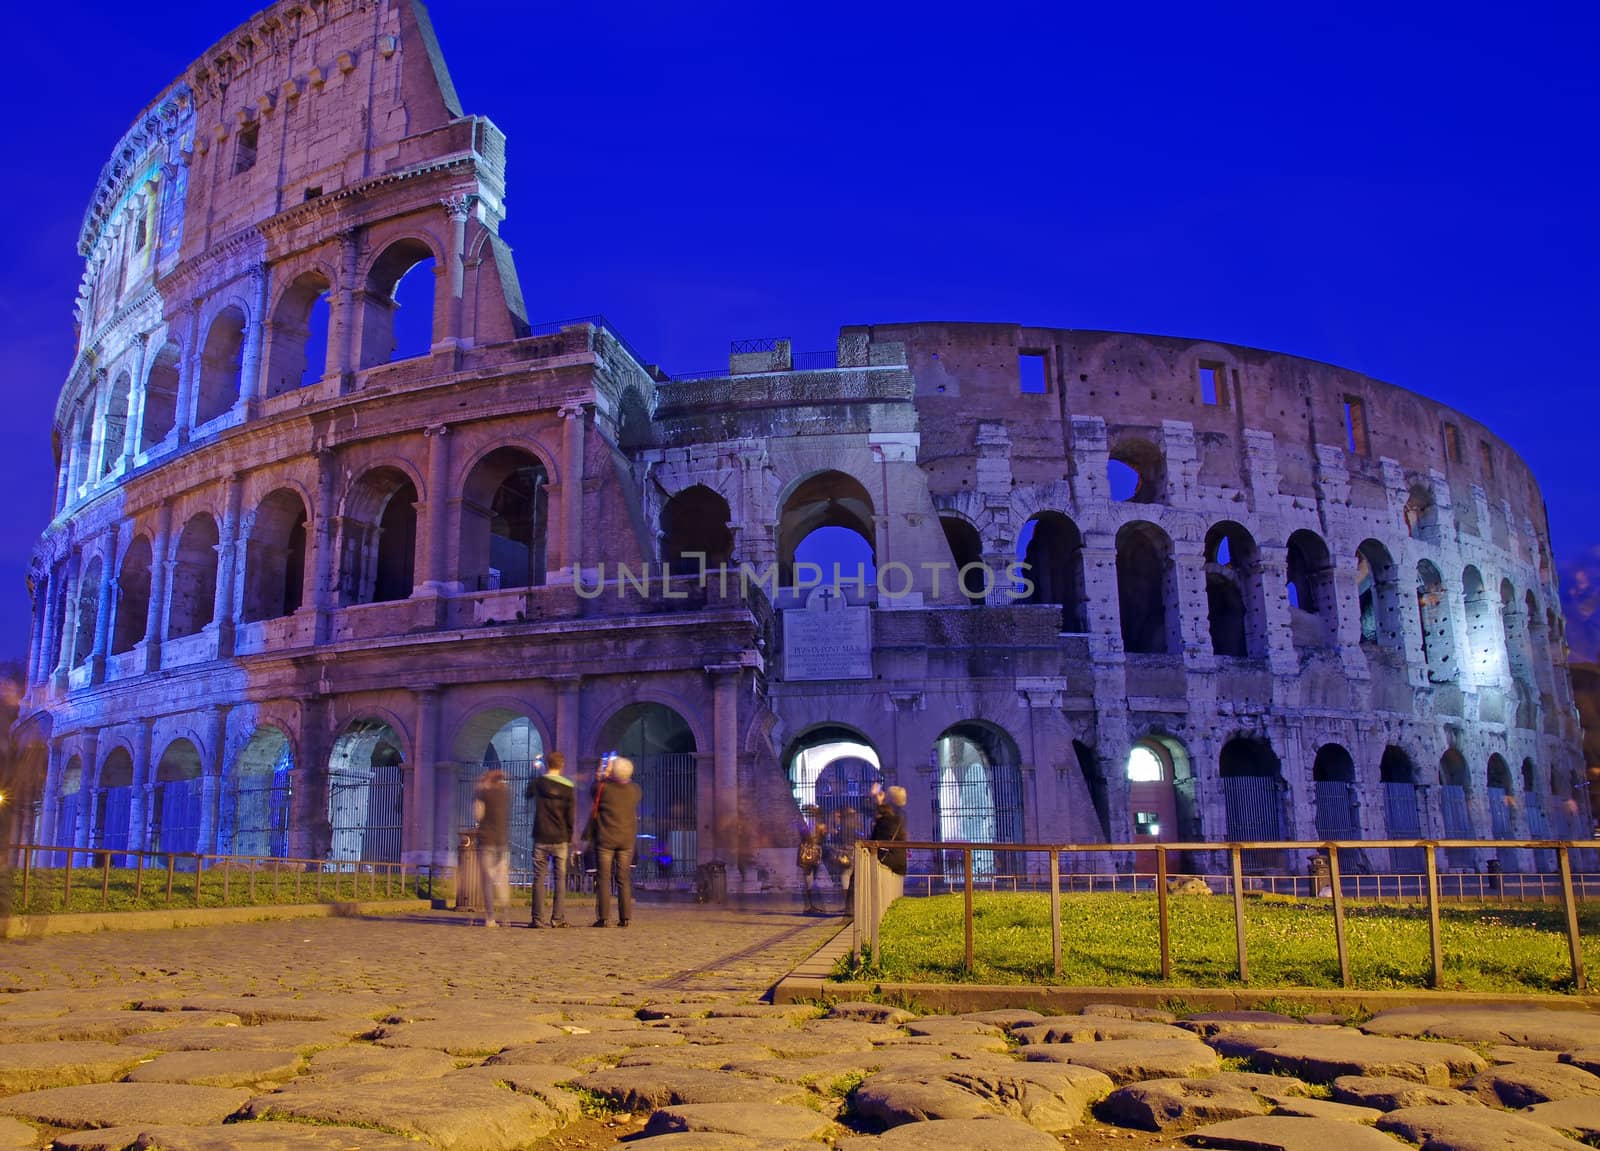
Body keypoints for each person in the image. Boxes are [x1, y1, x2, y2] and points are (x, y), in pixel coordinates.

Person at [585, 755, 642, 927]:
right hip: (626, 840)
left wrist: (605, 773)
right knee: (623, 878)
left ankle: (603, 917)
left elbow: (593, 788)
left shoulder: (603, 788)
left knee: (603, 877)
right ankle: (625, 917)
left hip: (606, 839)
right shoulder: (635, 790)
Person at [526, 751, 576, 928]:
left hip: (541, 835)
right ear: (561, 765)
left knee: (538, 878)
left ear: (547, 764)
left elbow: (527, 793)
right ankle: (557, 919)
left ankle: (537, 919)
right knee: (560, 879)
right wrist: (569, 836)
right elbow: (570, 816)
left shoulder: (539, 783)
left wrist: (535, 772)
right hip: (560, 837)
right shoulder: (568, 786)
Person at [472, 768, 511, 927]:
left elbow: (477, 815)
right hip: (502, 841)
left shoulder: (483, 795)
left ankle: (490, 918)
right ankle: (506, 915)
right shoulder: (505, 795)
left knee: (487, 880)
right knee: (502, 879)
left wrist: (480, 789)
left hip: (486, 840)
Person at [870, 784, 908, 877]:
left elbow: (883, 834)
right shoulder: (899, 814)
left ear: (890, 800)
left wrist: (877, 802)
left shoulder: (892, 817)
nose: (882, 795)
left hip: (889, 859)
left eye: (885, 795)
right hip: (894, 858)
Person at [828, 807, 860, 914]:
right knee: (851, 877)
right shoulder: (853, 826)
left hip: (847, 853)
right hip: (855, 852)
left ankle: (848, 905)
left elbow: (839, 839)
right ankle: (851, 905)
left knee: (845, 877)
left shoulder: (844, 827)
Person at [796, 804, 827, 913]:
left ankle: (810, 905)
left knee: (809, 879)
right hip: (815, 851)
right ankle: (810, 905)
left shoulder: (804, 824)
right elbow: (823, 837)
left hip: (807, 852)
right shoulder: (819, 825)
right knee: (811, 879)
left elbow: (802, 836)